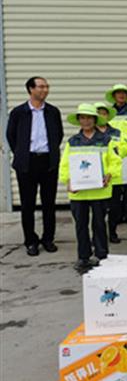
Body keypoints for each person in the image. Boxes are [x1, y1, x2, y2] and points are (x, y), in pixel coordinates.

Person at [6, 76, 63, 256]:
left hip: (48, 161)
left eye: (47, 86)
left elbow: (59, 134)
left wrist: (51, 152)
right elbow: (11, 136)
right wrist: (22, 153)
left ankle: (48, 238)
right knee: (27, 204)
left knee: (49, 203)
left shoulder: (53, 111)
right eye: (41, 87)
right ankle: (30, 240)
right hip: (27, 163)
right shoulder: (19, 112)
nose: (45, 90)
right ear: (31, 89)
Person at [58, 104, 119, 272]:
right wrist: (67, 181)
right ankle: (83, 257)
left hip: (100, 191)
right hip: (78, 193)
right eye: (83, 118)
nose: (86, 121)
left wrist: (110, 174)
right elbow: (64, 165)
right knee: (81, 226)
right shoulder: (72, 142)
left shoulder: (106, 140)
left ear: (95, 119)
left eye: (89, 117)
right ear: (79, 120)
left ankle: (102, 255)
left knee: (99, 224)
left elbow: (115, 162)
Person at [105, 84, 127, 225]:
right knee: (114, 188)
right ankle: (116, 215)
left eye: (124, 93)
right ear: (114, 96)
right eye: (118, 93)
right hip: (112, 154)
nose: (121, 95)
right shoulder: (108, 112)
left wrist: (120, 142)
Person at [94, 102, 126, 244]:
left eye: (104, 113)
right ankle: (98, 235)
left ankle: (112, 232)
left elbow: (124, 148)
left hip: (114, 177)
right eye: (99, 113)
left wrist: (118, 151)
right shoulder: (89, 134)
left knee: (115, 208)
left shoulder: (116, 132)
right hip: (96, 177)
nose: (102, 116)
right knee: (98, 210)